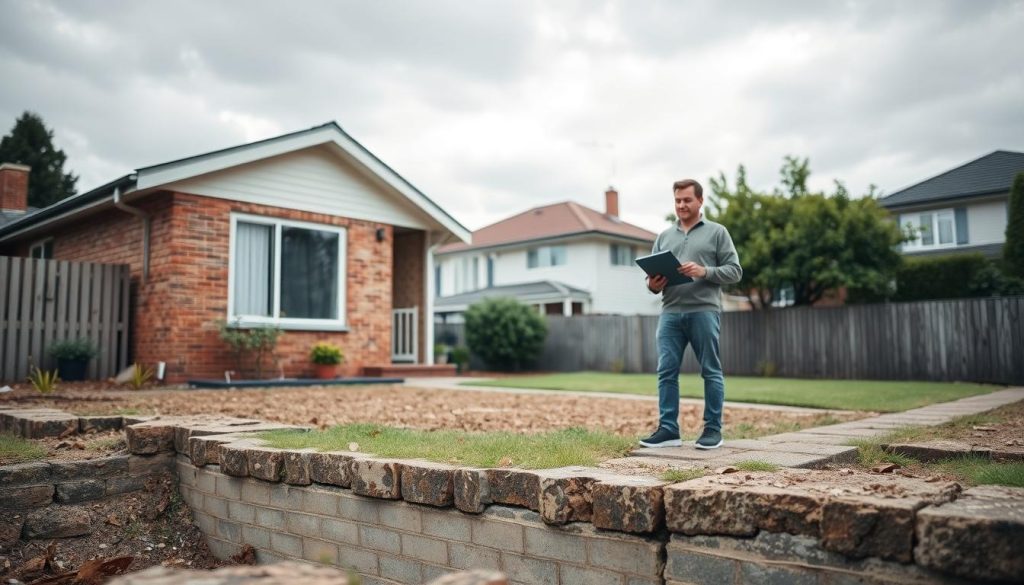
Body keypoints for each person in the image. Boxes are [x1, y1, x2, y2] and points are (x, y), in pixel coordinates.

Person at [639, 179, 742, 449]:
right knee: (666, 372)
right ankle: (669, 430)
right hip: (670, 312)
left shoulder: (717, 232)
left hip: (704, 311)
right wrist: (652, 285)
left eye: (687, 200)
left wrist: (704, 271)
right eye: (677, 200)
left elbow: (735, 271)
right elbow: (651, 280)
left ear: (700, 201)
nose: (682, 205)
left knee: (710, 371)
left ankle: (712, 430)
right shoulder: (664, 236)